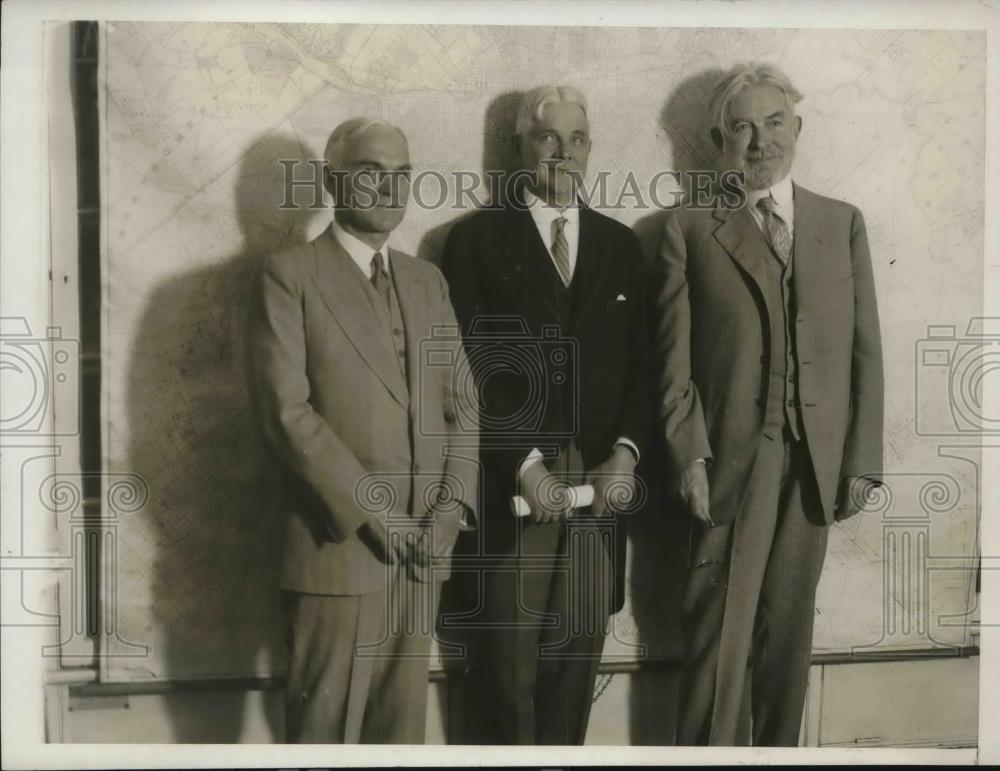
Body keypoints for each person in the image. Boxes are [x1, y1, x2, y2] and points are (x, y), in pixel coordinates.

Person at [655, 62, 884, 746]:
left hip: (814, 466)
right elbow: (673, 366)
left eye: (774, 123)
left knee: (789, 639)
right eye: (742, 128)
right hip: (728, 462)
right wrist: (687, 454)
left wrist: (862, 458)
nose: (760, 142)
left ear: (798, 128)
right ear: (720, 142)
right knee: (715, 648)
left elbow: (864, 348)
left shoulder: (841, 224)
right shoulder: (689, 228)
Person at [245, 117, 478, 743]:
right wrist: (380, 514)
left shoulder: (428, 281)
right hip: (339, 551)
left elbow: (464, 406)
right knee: (323, 737)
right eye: (371, 171)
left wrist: (452, 508)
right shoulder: (288, 276)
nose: (388, 188)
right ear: (332, 179)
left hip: (425, 552)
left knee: (399, 740)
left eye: (400, 174)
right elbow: (287, 414)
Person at [442, 85, 651, 745]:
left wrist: (626, 451)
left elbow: (646, 365)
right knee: (504, 680)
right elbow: (468, 364)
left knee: (572, 670)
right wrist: (525, 463)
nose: (564, 152)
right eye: (547, 138)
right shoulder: (472, 241)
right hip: (512, 489)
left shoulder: (622, 245)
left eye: (578, 138)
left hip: (598, 489)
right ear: (517, 148)